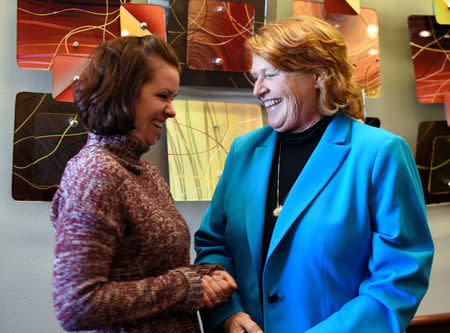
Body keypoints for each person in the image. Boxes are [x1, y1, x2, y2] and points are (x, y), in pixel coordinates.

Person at [194, 15, 434, 333]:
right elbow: (213, 245)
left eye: (270, 74)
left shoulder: (380, 153)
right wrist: (227, 315)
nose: (257, 90)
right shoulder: (244, 150)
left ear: (319, 76)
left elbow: (401, 274)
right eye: (256, 77)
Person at [50, 35, 237, 333]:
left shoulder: (145, 172)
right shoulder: (94, 173)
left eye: (172, 98)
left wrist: (202, 275)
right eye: (163, 96)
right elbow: (78, 306)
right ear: (124, 94)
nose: (172, 110)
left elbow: (150, 272)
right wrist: (185, 285)